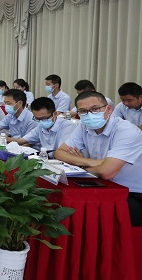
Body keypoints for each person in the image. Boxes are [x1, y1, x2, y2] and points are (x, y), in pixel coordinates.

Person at [56, 91, 142, 226]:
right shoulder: (84, 126)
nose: (89, 114)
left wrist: (81, 166)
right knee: (63, 202)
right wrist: (92, 163)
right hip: (102, 185)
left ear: (109, 109)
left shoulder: (126, 131)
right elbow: (60, 152)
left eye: (95, 109)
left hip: (132, 193)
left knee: (85, 214)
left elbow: (107, 172)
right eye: (83, 111)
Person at [9, 97, 77, 157]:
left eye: (44, 118)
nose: (41, 121)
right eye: (37, 119)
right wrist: (5, 139)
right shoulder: (40, 126)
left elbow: (62, 152)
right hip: (47, 158)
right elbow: (21, 141)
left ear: (55, 114)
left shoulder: (67, 126)